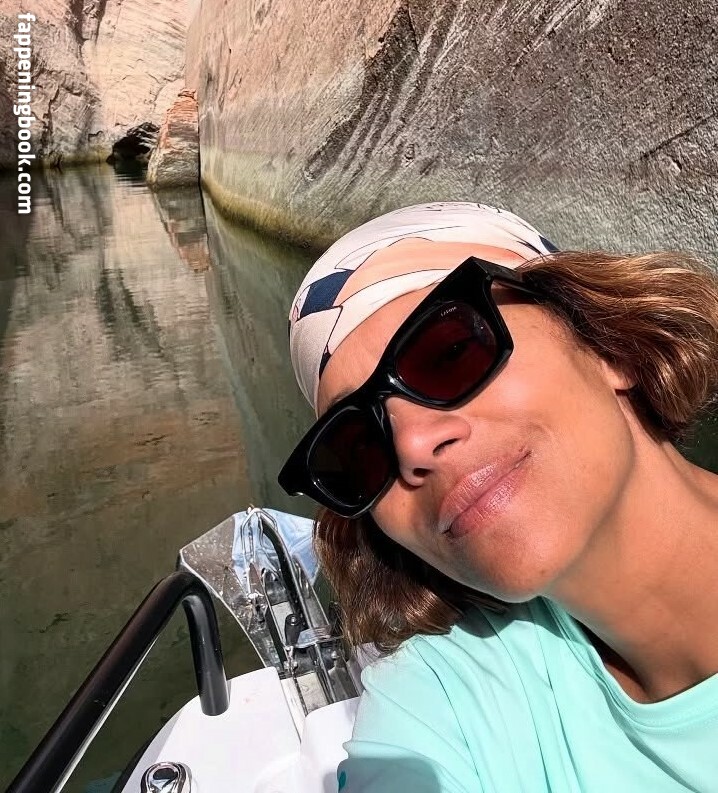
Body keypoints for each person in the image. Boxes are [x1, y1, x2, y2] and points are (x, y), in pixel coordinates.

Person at [278, 202, 718, 792]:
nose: (411, 445)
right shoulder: (440, 701)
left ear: (606, 345)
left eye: (450, 353)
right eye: (359, 446)